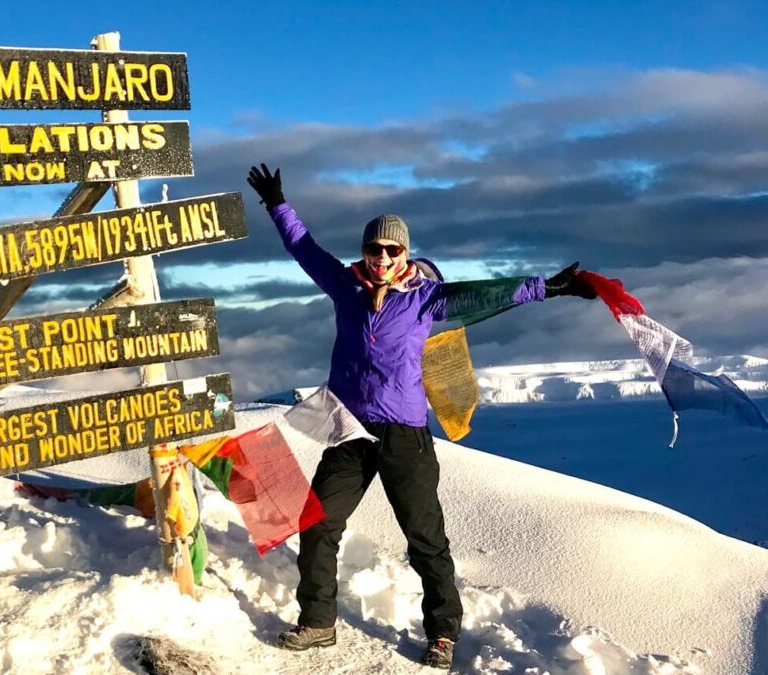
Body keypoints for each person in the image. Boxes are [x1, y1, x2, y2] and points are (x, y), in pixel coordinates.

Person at [245, 164, 596, 670]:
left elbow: (489, 293)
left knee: (425, 538)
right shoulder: (345, 288)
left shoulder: (426, 298)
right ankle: (318, 623)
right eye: (375, 249)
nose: (383, 258)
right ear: (365, 251)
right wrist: (277, 202)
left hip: (405, 434)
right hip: (349, 428)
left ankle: (442, 634)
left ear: (405, 254)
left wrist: (552, 287)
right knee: (317, 522)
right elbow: (303, 247)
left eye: (393, 250)